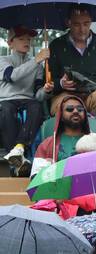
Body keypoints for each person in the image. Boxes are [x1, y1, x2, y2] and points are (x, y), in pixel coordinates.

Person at [44, 6, 96, 131]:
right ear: (68, 22)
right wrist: (61, 83)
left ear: (91, 21)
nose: (82, 29)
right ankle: (64, 146)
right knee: (66, 105)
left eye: (86, 24)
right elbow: (47, 82)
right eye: (76, 24)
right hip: (65, 94)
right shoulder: (56, 46)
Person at [0, 27, 45, 173]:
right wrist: (36, 60)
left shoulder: (38, 66)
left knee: (37, 106)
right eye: (21, 39)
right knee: (6, 110)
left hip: (28, 100)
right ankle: (17, 163)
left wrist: (47, 90)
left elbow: (38, 94)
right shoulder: (3, 60)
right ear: (10, 43)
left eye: (29, 39)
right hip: (6, 100)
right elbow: (12, 76)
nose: (26, 42)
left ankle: (19, 148)